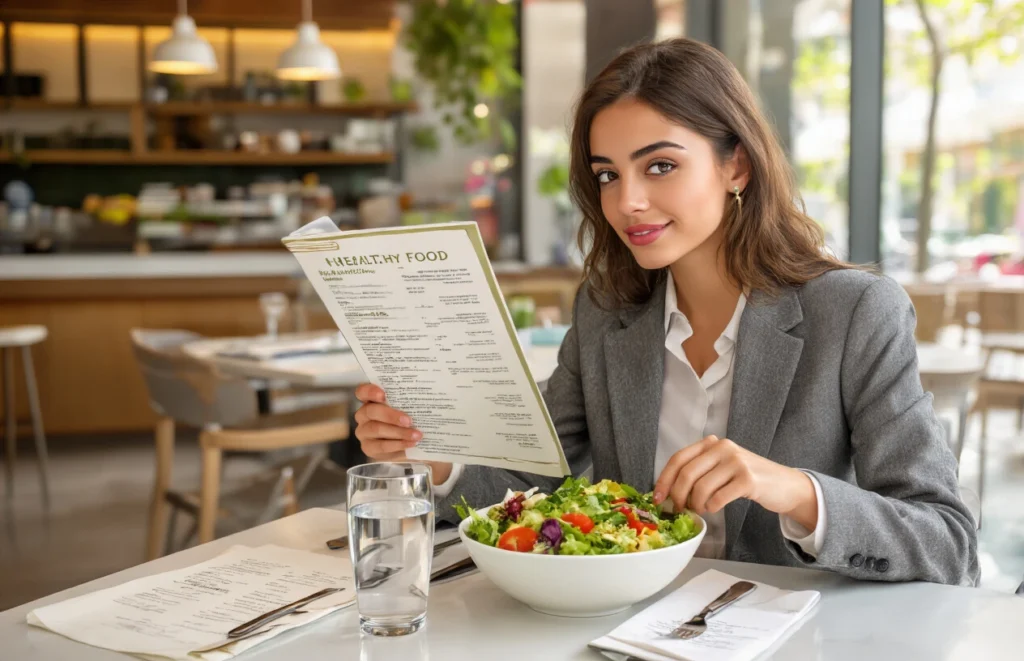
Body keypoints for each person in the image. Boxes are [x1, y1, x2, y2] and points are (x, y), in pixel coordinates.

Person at [353, 38, 978, 585]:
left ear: (736, 164)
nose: (628, 203)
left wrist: (789, 489)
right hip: (625, 627)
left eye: (660, 166)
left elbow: (949, 544)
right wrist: (434, 461)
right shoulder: (605, 312)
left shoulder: (856, 313)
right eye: (606, 175)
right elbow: (533, 480)